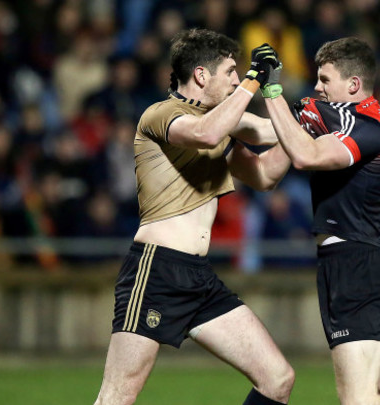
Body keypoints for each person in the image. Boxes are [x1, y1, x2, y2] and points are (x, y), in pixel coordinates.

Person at [94, 29, 294, 405]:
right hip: (155, 270)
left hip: (198, 276)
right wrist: (254, 81)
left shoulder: (224, 125)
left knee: (277, 379)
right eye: (231, 71)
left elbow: (267, 173)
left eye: (241, 72)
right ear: (202, 75)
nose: (237, 79)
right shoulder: (163, 114)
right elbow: (206, 132)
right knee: (117, 396)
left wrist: (300, 112)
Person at [262, 38, 380, 404]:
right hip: (358, 264)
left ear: (353, 85)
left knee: (358, 399)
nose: (317, 87)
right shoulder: (342, 121)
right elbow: (268, 158)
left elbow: (303, 155)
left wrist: (272, 90)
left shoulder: (369, 126)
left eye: (324, 79)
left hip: (352, 266)